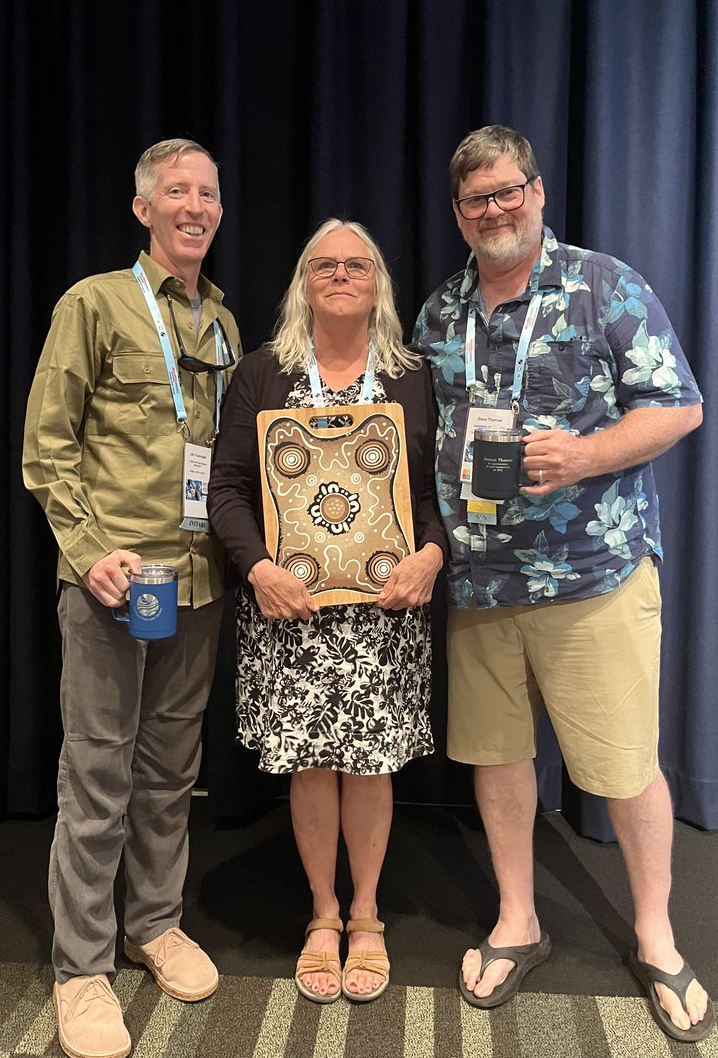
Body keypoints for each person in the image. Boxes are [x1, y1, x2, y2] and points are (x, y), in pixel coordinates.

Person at [412, 125, 714, 1043]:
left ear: (537, 192)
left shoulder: (603, 285)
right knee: (498, 758)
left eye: (509, 191)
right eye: (476, 199)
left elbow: (680, 406)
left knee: (624, 766)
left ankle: (656, 935)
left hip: (593, 578)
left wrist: (585, 454)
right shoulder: (440, 312)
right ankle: (519, 919)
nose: (495, 209)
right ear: (457, 214)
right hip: (480, 586)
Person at [23, 138, 241, 1058]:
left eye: (208, 193)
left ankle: (153, 923)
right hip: (113, 585)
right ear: (145, 208)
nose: (195, 206)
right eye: (177, 191)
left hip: (197, 586)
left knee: (169, 775)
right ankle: (81, 969)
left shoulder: (223, 324)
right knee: (97, 776)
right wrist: (87, 551)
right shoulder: (94, 303)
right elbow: (47, 447)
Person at [208, 218, 446, 1004]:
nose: (341, 275)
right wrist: (258, 568)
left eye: (357, 265)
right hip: (291, 607)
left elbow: (436, 495)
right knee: (311, 764)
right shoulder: (261, 373)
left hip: (385, 608)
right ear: (303, 284)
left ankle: (366, 913)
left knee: (370, 763)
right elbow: (226, 489)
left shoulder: (414, 376)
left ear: (378, 285)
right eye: (325, 265)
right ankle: (322, 912)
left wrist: (432, 554)